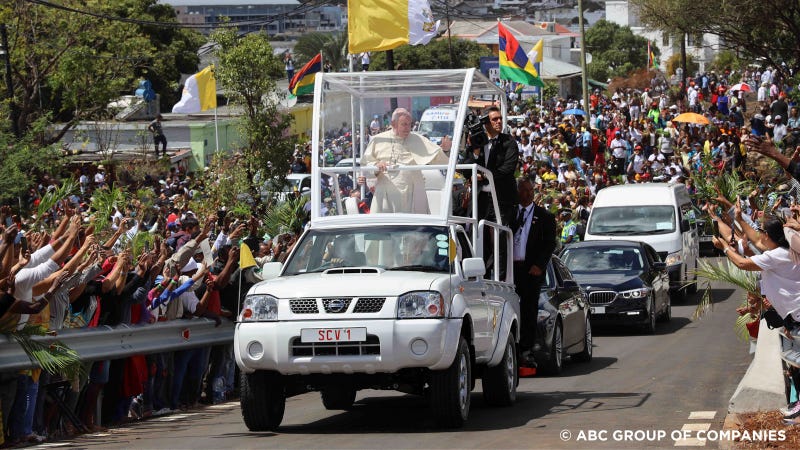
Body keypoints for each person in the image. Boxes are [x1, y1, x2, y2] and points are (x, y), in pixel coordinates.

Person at [360, 108, 451, 214]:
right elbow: (365, 166)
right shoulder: (378, 140)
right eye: (404, 124)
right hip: (386, 197)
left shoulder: (419, 139)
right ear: (393, 124)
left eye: (409, 124)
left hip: (413, 194)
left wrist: (446, 150)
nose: (408, 128)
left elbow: (442, 160)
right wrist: (376, 165)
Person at [512, 178, 557, 369]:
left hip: (531, 270)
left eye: (530, 190)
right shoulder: (509, 214)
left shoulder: (545, 217)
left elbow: (549, 244)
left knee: (529, 310)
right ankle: (511, 346)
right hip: (511, 270)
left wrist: (539, 265)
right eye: (524, 190)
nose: (528, 193)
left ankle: (526, 350)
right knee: (510, 309)